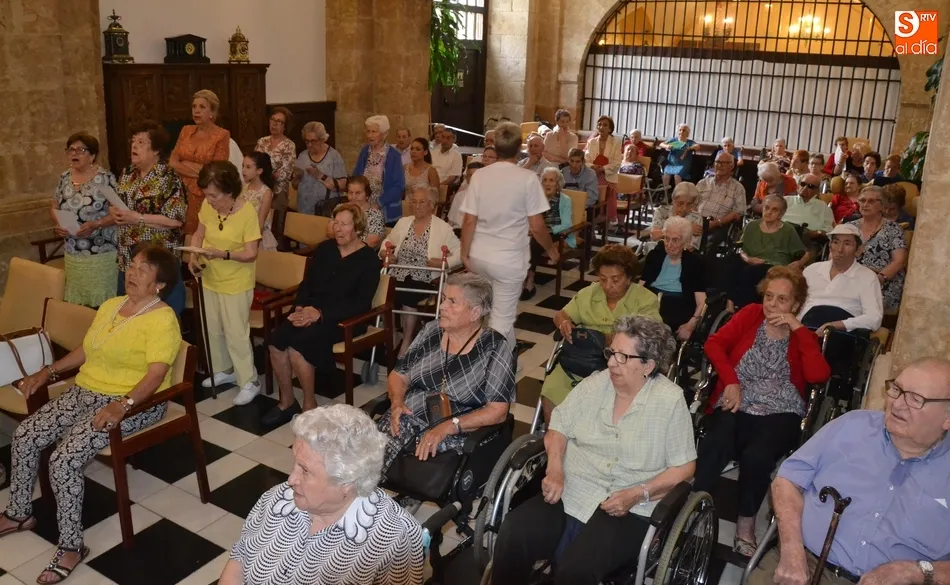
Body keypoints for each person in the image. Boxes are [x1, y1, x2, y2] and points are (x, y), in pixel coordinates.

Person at [1, 244, 181, 584]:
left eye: (144, 270)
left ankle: (70, 546)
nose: (132, 272)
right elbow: (87, 349)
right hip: (87, 391)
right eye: (133, 266)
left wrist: (122, 405)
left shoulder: (162, 319)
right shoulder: (113, 305)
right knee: (26, 435)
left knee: (64, 459)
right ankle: (19, 513)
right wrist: (48, 372)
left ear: (159, 284)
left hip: (136, 403)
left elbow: (156, 375)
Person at [491, 316, 697, 585]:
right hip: (571, 488)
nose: (611, 362)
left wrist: (637, 494)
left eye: (623, 357)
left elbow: (684, 466)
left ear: (648, 365)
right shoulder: (596, 383)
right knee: (514, 533)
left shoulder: (670, 401)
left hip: (627, 505)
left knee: (576, 571)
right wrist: (554, 469)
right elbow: (559, 426)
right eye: (611, 352)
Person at [751, 357, 950, 585]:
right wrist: (791, 551)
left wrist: (917, 571)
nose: (897, 404)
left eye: (916, 399)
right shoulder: (851, 425)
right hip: (805, 562)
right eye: (896, 389)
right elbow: (787, 481)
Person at [694, 266, 830, 557]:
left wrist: (798, 329)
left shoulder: (801, 333)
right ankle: (693, 503)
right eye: (769, 296)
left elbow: (818, 375)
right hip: (738, 396)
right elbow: (714, 344)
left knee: (757, 458)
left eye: (782, 299)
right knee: (715, 443)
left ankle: (745, 523)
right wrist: (731, 382)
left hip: (781, 408)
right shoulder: (751, 314)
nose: (772, 304)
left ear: (795, 304)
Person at [220, 404, 424, 585]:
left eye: (305, 470)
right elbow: (240, 558)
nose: (291, 479)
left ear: (347, 482)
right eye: (295, 463)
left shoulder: (394, 540)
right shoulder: (279, 499)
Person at [378, 273, 515, 470]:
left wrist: (450, 426)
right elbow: (399, 374)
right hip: (410, 415)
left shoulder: (494, 347)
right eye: (443, 299)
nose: (442, 307)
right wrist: (397, 402)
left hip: (460, 430)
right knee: (368, 446)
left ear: (475, 313)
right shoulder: (431, 331)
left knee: (399, 450)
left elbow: (498, 411)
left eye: (452, 302)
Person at [265, 203, 380, 424]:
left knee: (300, 347)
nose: (337, 228)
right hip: (310, 311)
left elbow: (361, 304)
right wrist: (300, 308)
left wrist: (320, 313)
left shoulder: (369, 261)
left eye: (344, 224)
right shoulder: (326, 249)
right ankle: (287, 402)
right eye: (335, 223)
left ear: (357, 228)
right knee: (276, 340)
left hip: (344, 319)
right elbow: (307, 284)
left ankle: (310, 405)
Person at [460, 122, 560, 349]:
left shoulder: (480, 176)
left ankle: (510, 358)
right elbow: (537, 226)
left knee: (488, 313)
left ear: (494, 146)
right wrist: (551, 250)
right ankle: (494, 371)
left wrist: (465, 254)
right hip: (508, 260)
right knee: (501, 320)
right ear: (519, 149)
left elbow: (469, 220)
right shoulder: (527, 179)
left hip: (480, 256)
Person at [544, 245, 661, 421]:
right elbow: (560, 315)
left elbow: (652, 338)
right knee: (552, 389)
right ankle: (554, 439)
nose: (607, 286)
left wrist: (614, 341)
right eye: (602, 278)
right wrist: (564, 323)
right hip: (583, 358)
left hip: (622, 363)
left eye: (616, 279)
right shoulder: (589, 293)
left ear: (629, 278)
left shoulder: (645, 300)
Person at [188, 162, 262, 405]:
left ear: (230, 192)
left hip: (236, 281)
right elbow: (199, 233)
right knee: (213, 329)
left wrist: (224, 254)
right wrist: (193, 254)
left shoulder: (247, 212)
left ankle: (249, 380)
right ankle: (225, 370)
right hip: (211, 277)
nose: (208, 200)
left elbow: (251, 253)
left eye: (213, 195)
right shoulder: (208, 207)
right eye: (206, 195)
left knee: (236, 333)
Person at [112, 121, 187, 315]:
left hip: (157, 262)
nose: (134, 146)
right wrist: (114, 212)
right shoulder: (127, 173)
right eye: (133, 141)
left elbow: (176, 219)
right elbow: (119, 203)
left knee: (159, 317)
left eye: (141, 142)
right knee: (128, 316)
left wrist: (138, 218)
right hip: (128, 257)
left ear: (156, 150)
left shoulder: (168, 176)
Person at [382, 185, 462, 357]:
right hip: (398, 271)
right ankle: (393, 334)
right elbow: (388, 241)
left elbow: (461, 252)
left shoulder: (443, 228)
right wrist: (385, 252)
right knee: (379, 291)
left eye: (422, 202)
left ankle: (407, 339)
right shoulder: (404, 222)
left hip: (425, 277)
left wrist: (443, 262)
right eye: (414, 202)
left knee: (407, 294)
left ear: (431, 205)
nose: (417, 206)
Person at [51, 132, 118, 308]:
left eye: (80, 150)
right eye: (70, 150)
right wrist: (59, 224)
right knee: (78, 304)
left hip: (100, 251)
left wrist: (96, 224)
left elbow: (119, 213)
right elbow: (54, 206)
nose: (74, 154)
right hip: (73, 252)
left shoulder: (105, 178)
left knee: (101, 305)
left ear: (92, 156)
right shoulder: (64, 177)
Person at [799, 223, 883, 335]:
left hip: (840, 334)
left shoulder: (867, 277)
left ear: (859, 250)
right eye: (836, 242)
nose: (840, 249)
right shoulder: (812, 270)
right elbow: (797, 306)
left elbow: (874, 318)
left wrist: (837, 325)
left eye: (847, 243)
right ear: (830, 247)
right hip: (806, 328)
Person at [169, 89, 231, 235]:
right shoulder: (186, 130)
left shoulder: (221, 135)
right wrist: (198, 169)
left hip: (203, 193)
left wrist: (184, 164)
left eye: (202, 107)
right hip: (178, 189)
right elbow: (172, 162)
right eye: (194, 107)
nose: (196, 111)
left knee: (196, 235)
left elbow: (215, 171)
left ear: (212, 112)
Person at [732, 195, 808, 308]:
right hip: (750, 263)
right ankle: (727, 303)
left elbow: (806, 253)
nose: (769, 212)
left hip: (775, 267)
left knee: (751, 272)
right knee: (729, 261)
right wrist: (748, 259)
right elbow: (741, 249)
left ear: (781, 214)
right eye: (766, 208)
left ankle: (744, 309)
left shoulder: (788, 230)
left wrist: (799, 263)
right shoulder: (751, 226)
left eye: (774, 209)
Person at [640, 216, 707, 341]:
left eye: (675, 240)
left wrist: (690, 325)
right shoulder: (655, 256)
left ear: (686, 242)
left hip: (678, 306)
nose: (669, 245)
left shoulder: (694, 263)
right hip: (650, 301)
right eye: (666, 238)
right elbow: (639, 287)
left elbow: (701, 302)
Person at [849, 185, 907, 311]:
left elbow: (899, 261)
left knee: (855, 305)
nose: (865, 204)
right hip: (851, 280)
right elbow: (835, 256)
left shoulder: (893, 229)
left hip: (882, 283)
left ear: (882, 205)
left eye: (871, 201)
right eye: (862, 200)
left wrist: (877, 279)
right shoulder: (849, 227)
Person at [522, 168, 574, 300]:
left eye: (551, 180)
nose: (547, 184)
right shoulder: (536, 200)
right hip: (537, 233)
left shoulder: (565, 200)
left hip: (558, 233)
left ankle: (529, 280)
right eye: (544, 180)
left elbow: (567, 224)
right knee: (526, 241)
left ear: (558, 184)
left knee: (534, 242)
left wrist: (549, 229)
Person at [353, 115, 405, 224]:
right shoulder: (364, 151)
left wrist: (378, 203)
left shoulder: (393, 155)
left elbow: (398, 186)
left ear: (384, 134)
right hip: (363, 207)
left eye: (374, 132)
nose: (370, 135)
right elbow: (356, 177)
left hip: (385, 209)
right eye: (368, 131)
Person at [292, 121, 346, 216]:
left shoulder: (334, 156)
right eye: (306, 141)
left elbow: (343, 186)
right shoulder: (302, 155)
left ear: (322, 139)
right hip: (304, 209)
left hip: (325, 210)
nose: (309, 145)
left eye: (313, 141)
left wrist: (319, 175)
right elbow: (295, 185)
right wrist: (297, 177)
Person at [696, 151, 746, 246]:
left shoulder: (738, 188)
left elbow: (738, 212)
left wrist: (717, 222)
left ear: (731, 166)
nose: (719, 165)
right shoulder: (703, 183)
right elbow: (691, 204)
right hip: (697, 222)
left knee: (709, 243)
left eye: (724, 163)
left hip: (719, 225)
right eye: (717, 162)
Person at [254, 106, 297, 213]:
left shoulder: (289, 145)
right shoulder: (262, 141)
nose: (274, 124)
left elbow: (284, 173)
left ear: (285, 126)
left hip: (278, 193)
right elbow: (253, 163)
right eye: (272, 120)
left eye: (279, 121)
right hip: (258, 190)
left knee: (275, 226)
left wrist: (262, 174)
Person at [783, 172, 834, 257]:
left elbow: (829, 230)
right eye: (803, 184)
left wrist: (817, 233)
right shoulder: (785, 201)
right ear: (798, 185)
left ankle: (799, 266)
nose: (805, 188)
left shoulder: (823, 207)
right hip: (783, 236)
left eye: (810, 186)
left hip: (808, 241)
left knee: (812, 249)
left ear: (817, 191)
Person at [326, 176, 384, 249]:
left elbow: (372, 242)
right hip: (337, 249)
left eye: (358, 193)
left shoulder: (375, 215)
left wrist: (348, 248)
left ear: (367, 194)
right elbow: (330, 233)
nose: (353, 197)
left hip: (361, 254)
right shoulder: (340, 208)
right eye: (350, 192)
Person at [584, 115, 622, 221]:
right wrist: (593, 166)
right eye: (599, 124)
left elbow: (617, 162)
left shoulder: (616, 142)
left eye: (605, 125)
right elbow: (586, 160)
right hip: (593, 175)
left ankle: (606, 225)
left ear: (610, 129)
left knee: (607, 205)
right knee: (593, 202)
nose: (601, 127)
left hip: (608, 176)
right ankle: (593, 223)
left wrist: (603, 168)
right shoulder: (591, 142)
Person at [649, 181, 703, 251]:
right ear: (673, 200)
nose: (684, 208)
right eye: (680, 203)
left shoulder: (696, 218)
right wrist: (686, 229)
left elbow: (690, 248)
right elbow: (654, 236)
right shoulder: (662, 211)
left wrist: (665, 234)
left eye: (689, 204)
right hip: (658, 252)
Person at [240, 152, 278, 251]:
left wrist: (253, 243)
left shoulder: (266, 192)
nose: (243, 170)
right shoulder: (243, 188)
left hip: (256, 236)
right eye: (243, 166)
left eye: (248, 167)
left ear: (259, 171)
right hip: (241, 232)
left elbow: (261, 221)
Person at [659, 123, 700, 189]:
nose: (681, 132)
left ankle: (677, 195)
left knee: (677, 175)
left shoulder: (689, 142)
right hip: (671, 163)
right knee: (666, 174)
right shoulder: (673, 140)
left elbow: (698, 146)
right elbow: (661, 144)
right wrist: (667, 146)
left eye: (684, 130)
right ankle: (665, 195)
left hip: (683, 164)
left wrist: (689, 148)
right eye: (680, 130)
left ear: (687, 134)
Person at [448, 160, 484, 228]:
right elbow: (452, 221)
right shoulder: (460, 196)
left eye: (476, 175)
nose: (473, 178)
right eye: (470, 175)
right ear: (467, 178)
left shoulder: (489, 197)